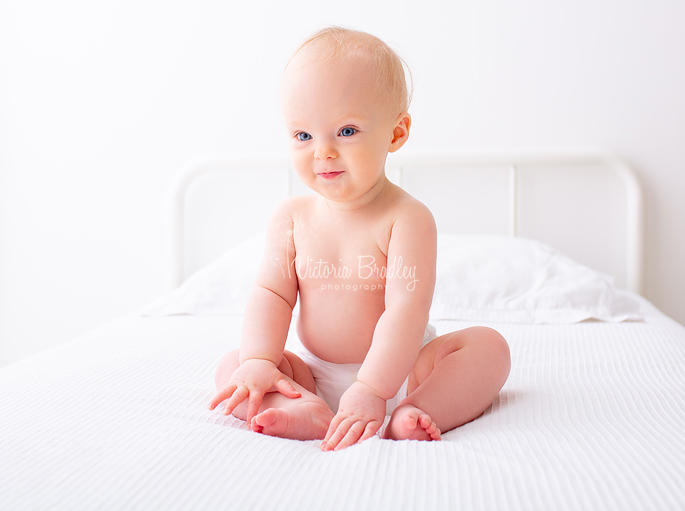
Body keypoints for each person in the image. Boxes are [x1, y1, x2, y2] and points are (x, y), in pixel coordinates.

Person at [209, 27, 511, 451]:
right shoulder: (291, 218)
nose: (323, 151)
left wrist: (373, 388)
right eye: (303, 136)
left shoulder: (407, 219)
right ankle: (306, 411)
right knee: (234, 366)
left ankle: (418, 410)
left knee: (489, 348)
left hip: (402, 372)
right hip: (310, 375)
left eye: (346, 131)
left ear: (395, 133)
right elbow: (270, 295)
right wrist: (259, 362)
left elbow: (405, 311)